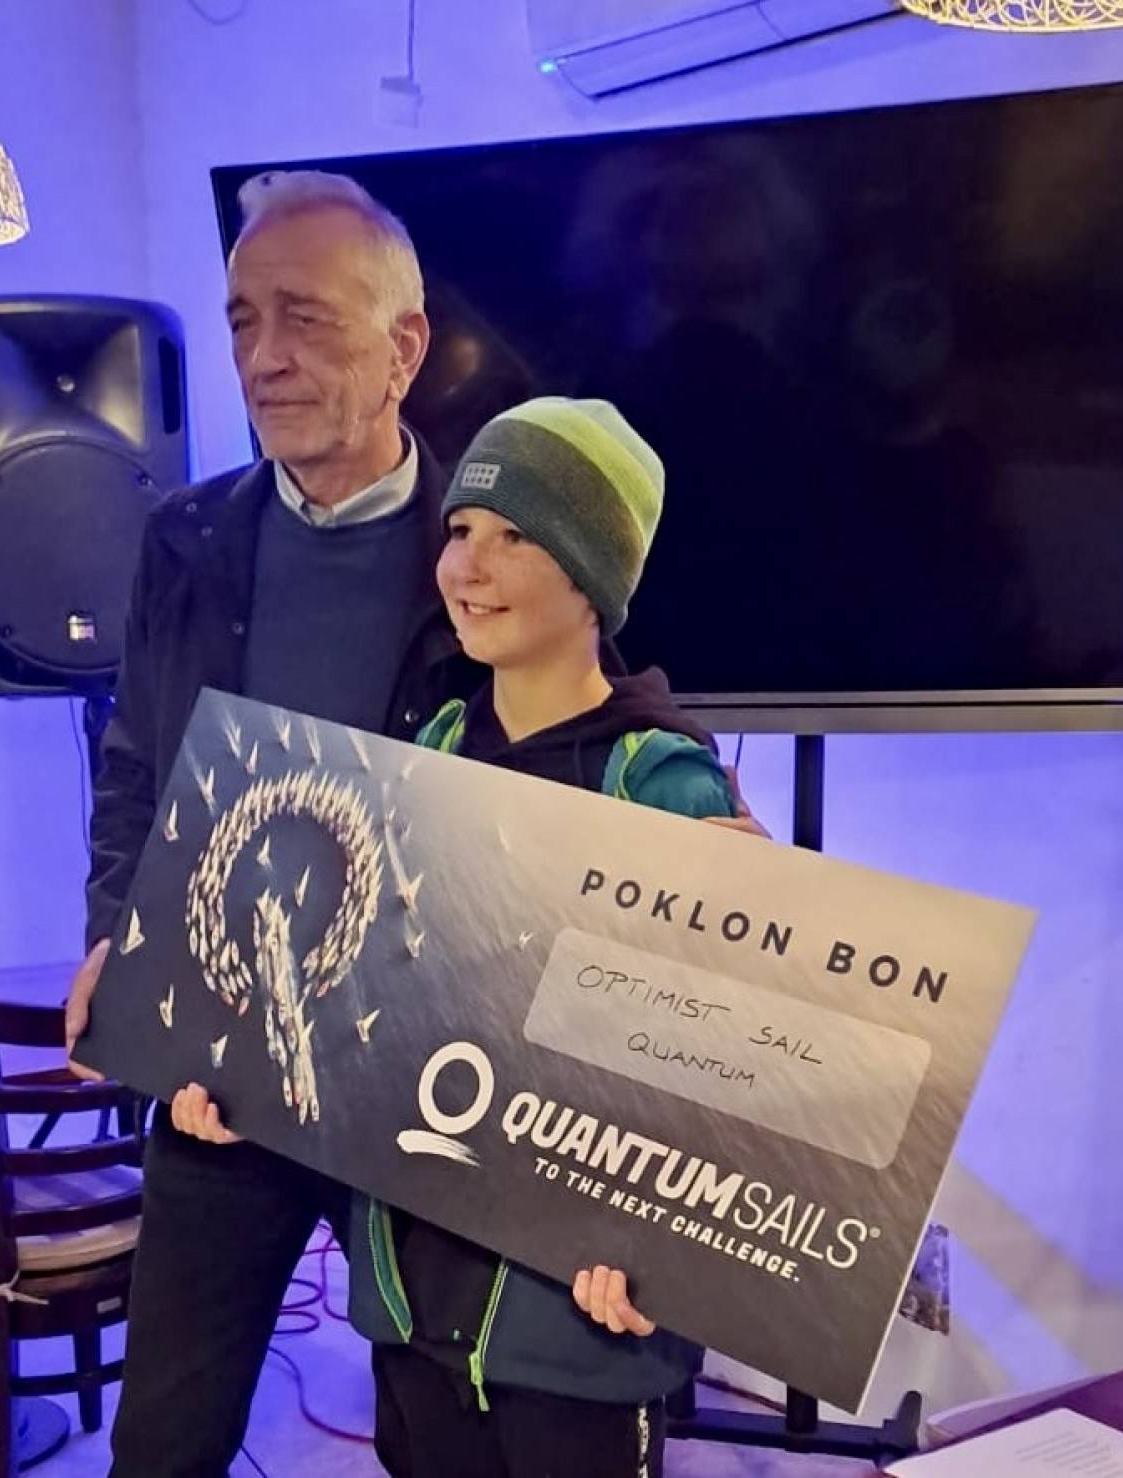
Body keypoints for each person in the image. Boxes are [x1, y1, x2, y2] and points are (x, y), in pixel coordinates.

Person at [64, 168, 474, 1478]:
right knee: (162, 1443)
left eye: (304, 317)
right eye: (244, 319)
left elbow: (584, 736)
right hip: (218, 1059)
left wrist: (699, 800)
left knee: (443, 1437)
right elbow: (134, 765)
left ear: (403, 347)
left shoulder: (486, 547)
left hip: (416, 1071)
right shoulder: (183, 536)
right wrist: (113, 938)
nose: (263, 356)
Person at [350, 397, 733, 1478]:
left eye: (516, 534)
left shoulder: (661, 784)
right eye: (461, 529)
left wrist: (658, 1250)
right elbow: (356, 1003)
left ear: (593, 575)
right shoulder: (421, 755)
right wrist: (233, 1079)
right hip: (415, 1297)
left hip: (572, 1329)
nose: (468, 566)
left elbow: (714, 1079)